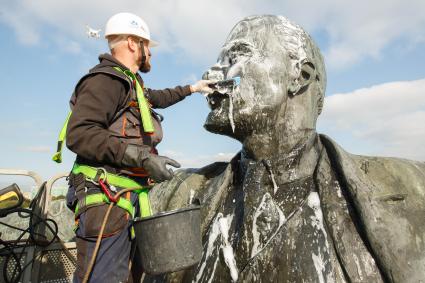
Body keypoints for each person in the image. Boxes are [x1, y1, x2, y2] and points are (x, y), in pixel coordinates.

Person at [146, 15, 425, 282]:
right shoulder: (176, 194)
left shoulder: (413, 189)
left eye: (235, 57)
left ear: (300, 76)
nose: (211, 73)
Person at [60, 12, 215, 283]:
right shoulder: (106, 81)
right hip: (106, 200)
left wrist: (195, 88)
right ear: (133, 43)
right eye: (147, 47)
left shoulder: (132, 85)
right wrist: (142, 158)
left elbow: (159, 97)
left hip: (127, 197)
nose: (150, 55)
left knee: (133, 276)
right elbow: (80, 133)